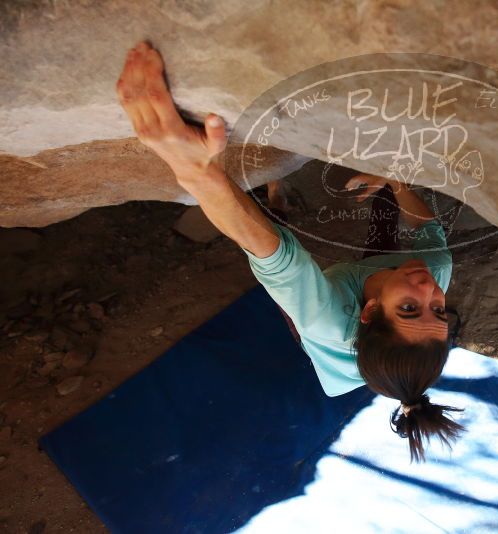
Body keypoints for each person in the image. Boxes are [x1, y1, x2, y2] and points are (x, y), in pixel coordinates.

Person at [116, 41, 464, 462]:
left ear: (368, 312)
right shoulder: (432, 272)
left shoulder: (324, 319)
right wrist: (397, 183)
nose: (428, 290)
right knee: (388, 229)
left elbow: (279, 259)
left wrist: (198, 173)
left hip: (330, 331)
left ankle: (275, 201)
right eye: (439, 311)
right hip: (377, 286)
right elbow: (429, 234)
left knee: (282, 262)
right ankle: (379, 196)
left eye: (411, 309)